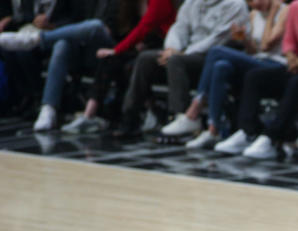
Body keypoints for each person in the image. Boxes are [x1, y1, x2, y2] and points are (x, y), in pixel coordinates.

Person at [212, 0, 298, 156]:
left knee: (297, 83)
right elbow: (289, 42)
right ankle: (248, 131)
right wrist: (291, 58)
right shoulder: (295, 7)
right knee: (254, 77)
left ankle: (271, 138)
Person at [115, 0, 250, 137]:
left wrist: (183, 53)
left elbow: (219, 39)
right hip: (185, 53)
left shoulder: (235, 5)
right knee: (146, 59)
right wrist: (172, 47)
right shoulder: (192, 2)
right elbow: (179, 27)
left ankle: (180, 116)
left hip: (211, 58)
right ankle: (130, 119)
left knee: (176, 61)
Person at [159, 0, 288, 143]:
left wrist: (271, 15)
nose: (254, 5)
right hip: (257, 61)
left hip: (276, 64)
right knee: (221, 65)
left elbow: (266, 45)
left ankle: (194, 111)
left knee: (216, 51)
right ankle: (214, 129)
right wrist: (244, 40)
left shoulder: (283, 11)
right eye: (250, 2)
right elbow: (254, 51)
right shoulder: (253, 14)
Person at [60, 0, 177, 134]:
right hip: (140, 47)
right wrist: (116, 50)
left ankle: (145, 112)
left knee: (130, 66)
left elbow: (145, 27)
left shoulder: (159, 2)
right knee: (109, 60)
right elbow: (126, 31)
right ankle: (89, 114)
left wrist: (117, 50)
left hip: (165, 49)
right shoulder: (128, 4)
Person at [0, 0, 113, 131]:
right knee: (62, 44)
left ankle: (38, 39)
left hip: (105, 44)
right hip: (72, 40)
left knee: (96, 26)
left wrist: (52, 26)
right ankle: (48, 107)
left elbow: (128, 29)